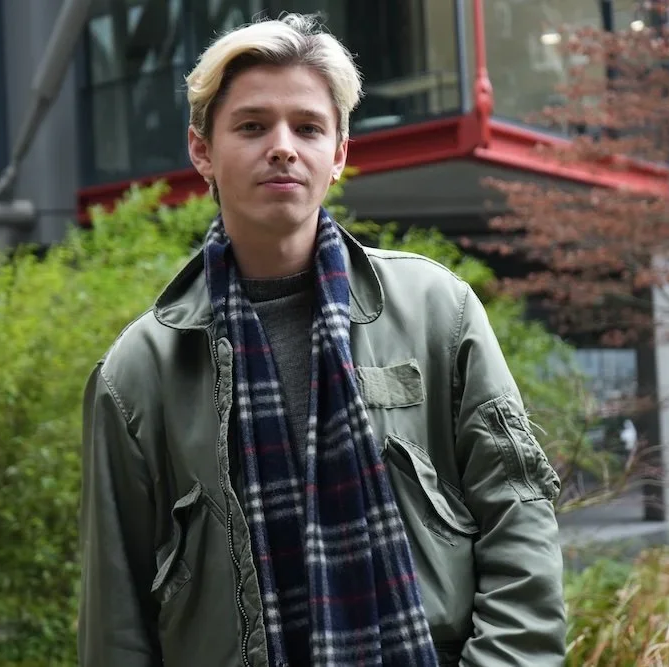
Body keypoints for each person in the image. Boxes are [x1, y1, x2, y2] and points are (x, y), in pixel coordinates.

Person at [79, 13, 566, 667]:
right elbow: (117, 617)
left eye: (307, 127)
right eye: (252, 126)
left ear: (337, 153)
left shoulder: (437, 311)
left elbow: (519, 514)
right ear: (203, 151)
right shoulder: (138, 374)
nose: (282, 146)